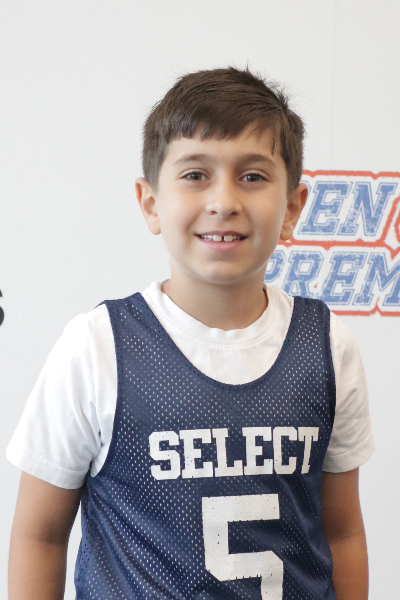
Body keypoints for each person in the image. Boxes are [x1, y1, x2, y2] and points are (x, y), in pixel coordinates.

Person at [7, 66, 374, 600]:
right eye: (196, 174)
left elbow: (342, 532)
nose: (223, 201)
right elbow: (38, 536)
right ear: (151, 202)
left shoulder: (327, 345)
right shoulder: (98, 346)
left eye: (253, 176)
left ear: (292, 208)